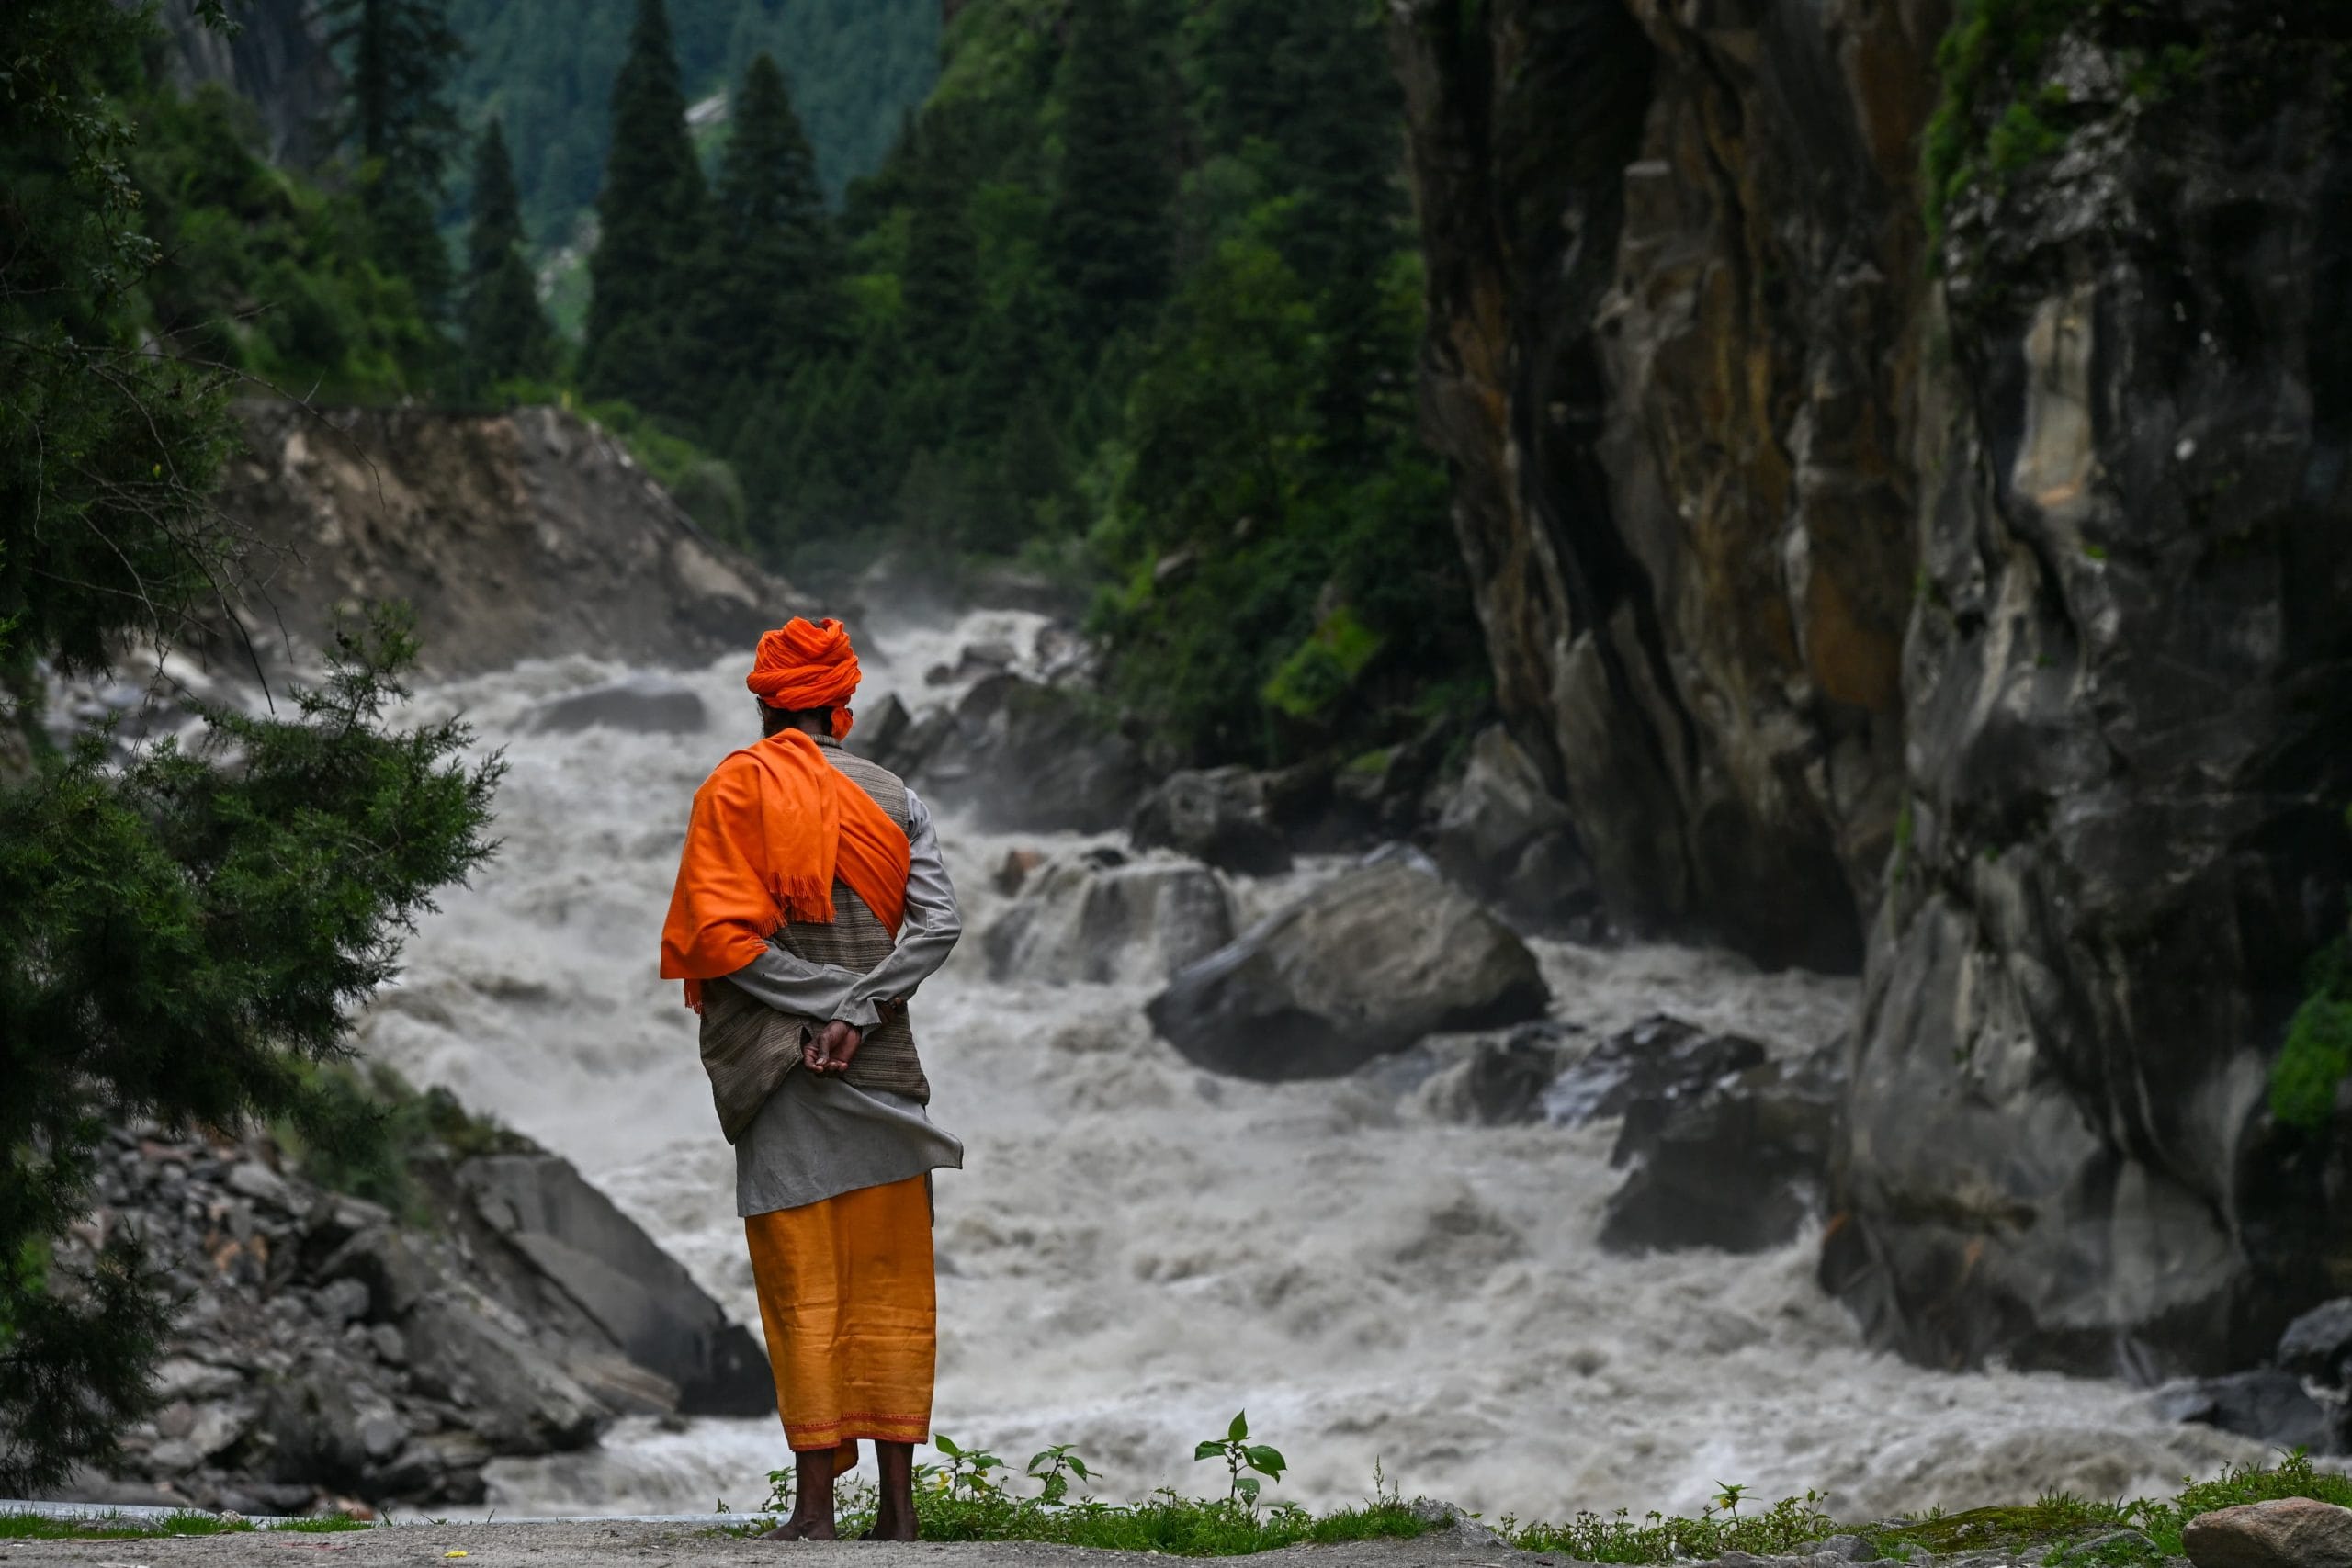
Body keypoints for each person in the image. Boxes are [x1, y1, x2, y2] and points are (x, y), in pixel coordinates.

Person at [659, 616, 964, 1541]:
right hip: (879, 1068)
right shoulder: (896, 797)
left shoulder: (735, 790)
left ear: (762, 705)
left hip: (780, 1071)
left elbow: (723, 940)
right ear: (844, 707)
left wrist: (821, 1000)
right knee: (892, 1284)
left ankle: (815, 1511)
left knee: (804, 1285)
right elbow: (939, 925)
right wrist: (861, 1004)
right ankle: (901, 1515)